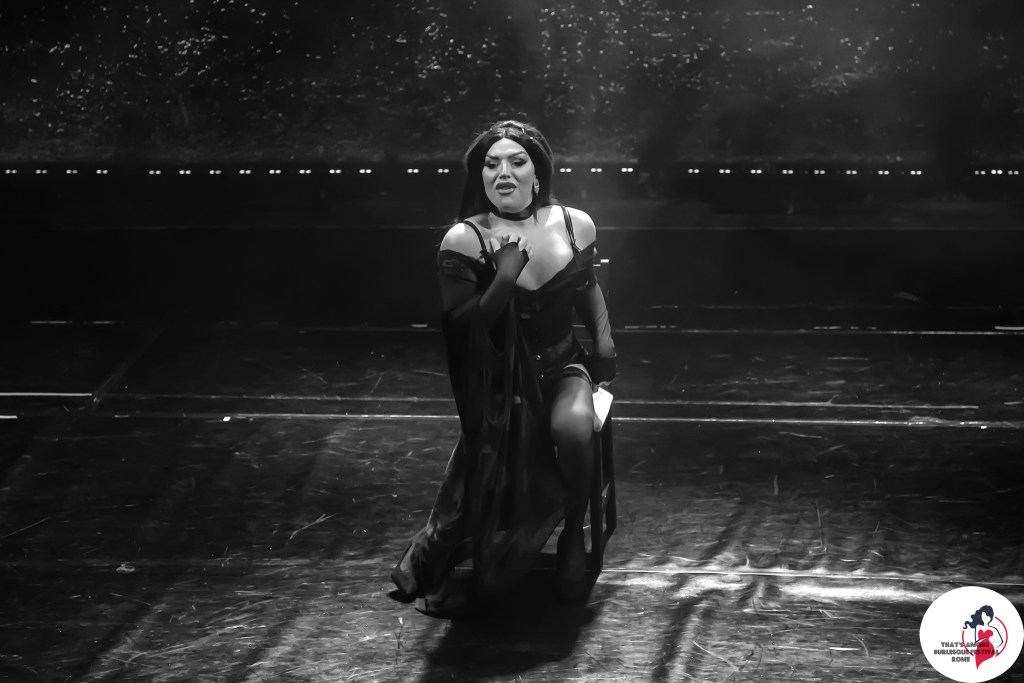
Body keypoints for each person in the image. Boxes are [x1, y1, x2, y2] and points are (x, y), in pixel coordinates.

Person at [390, 119, 617, 614]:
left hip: (561, 367)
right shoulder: (464, 238)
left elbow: (587, 289)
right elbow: (463, 327)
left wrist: (604, 343)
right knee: (495, 462)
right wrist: (503, 278)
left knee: (574, 429)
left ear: (538, 173)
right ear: (481, 175)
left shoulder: (575, 224)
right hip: (499, 381)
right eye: (492, 164)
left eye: (517, 162)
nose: (504, 173)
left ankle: (573, 534)